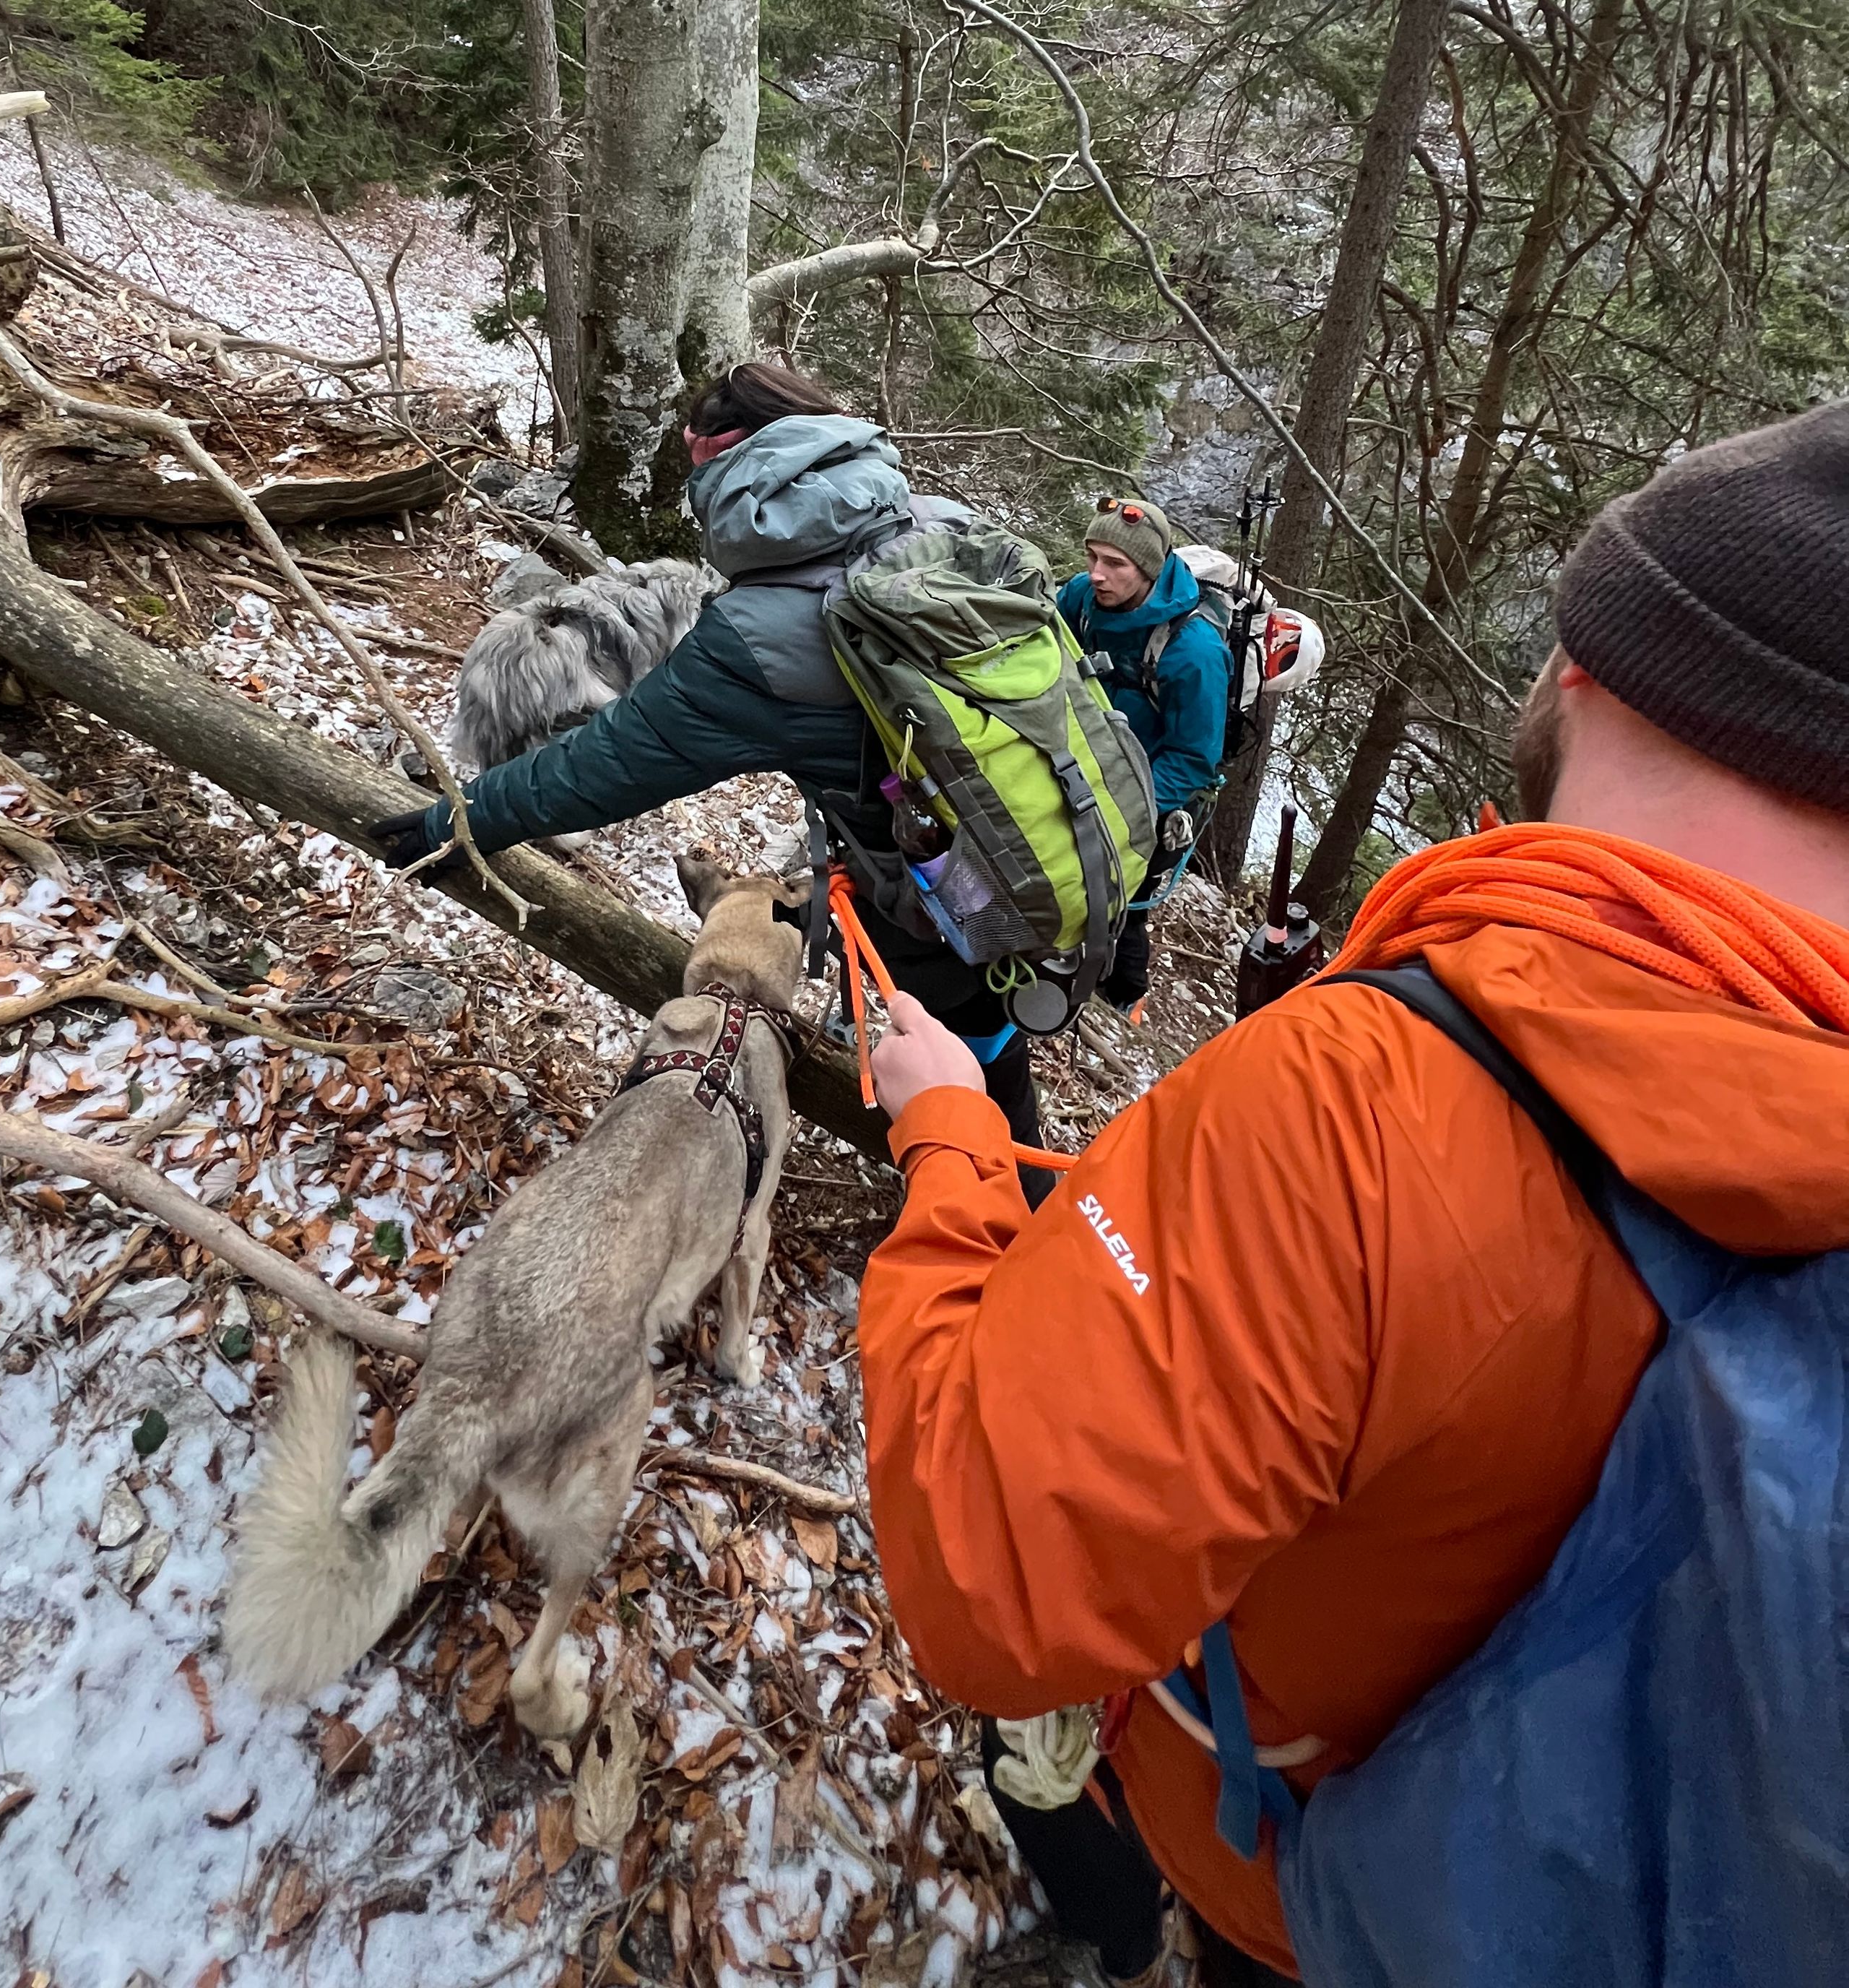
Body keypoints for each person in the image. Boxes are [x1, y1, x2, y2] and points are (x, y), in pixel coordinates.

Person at [855, 399, 1849, 1985]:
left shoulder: (1360, 1106)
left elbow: (984, 1577)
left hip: (1300, 1875)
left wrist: (953, 1141)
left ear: (1597, 670)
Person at [372, 359, 1055, 1154]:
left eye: (691, 451)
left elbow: (600, 768)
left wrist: (456, 820)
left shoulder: (761, 634)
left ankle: (1004, 1227)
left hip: (945, 890)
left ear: (717, 459)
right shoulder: (934, 520)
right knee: (980, 1026)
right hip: (1031, 835)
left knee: (965, 1070)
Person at [1055, 497, 1227, 1014]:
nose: (1097, 575)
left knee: (1125, 906)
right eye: (1092, 558)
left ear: (1149, 570)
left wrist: (1124, 807)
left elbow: (1195, 759)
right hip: (1083, 766)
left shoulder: (1193, 652)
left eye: (1115, 564)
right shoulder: (1082, 600)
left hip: (1152, 791)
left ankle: (1123, 999)